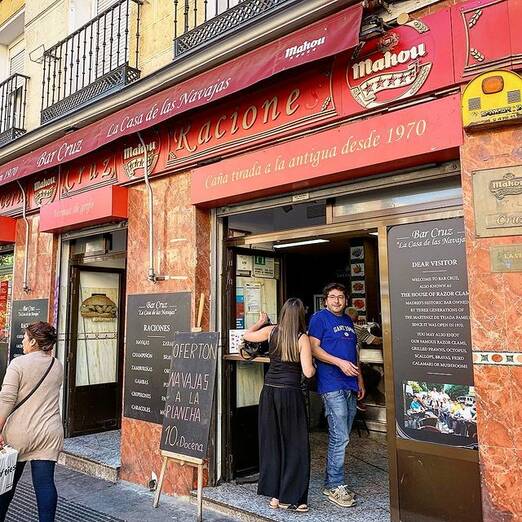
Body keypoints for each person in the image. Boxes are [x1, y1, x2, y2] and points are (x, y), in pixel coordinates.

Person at [243, 299, 315, 513]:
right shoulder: (302, 338)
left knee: (272, 444)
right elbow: (308, 372)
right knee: (295, 445)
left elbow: (246, 335)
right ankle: (291, 497)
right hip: (290, 394)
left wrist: (260, 322)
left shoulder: (272, 331)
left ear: (283, 314)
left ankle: (275, 496)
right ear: (301, 316)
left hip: (269, 393)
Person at [0, 322, 64, 522]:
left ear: (34, 341)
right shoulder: (57, 365)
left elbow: (6, 399)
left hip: (20, 433)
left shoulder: (18, 364)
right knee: (45, 484)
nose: (23, 341)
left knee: (6, 484)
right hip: (49, 431)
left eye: (25, 338)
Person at [308, 283, 364, 508]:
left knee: (344, 434)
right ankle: (334, 484)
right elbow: (313, 348)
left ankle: (334, 481)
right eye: (332, 297)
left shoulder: (348, 321)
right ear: (325, 300)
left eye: (341, 297)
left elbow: (354, 352)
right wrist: (339, 363)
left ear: (346, 300)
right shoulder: (319, 319)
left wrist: (360, 379)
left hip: (350, 384)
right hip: (331, 384)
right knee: (340, 435)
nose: (337, 301)